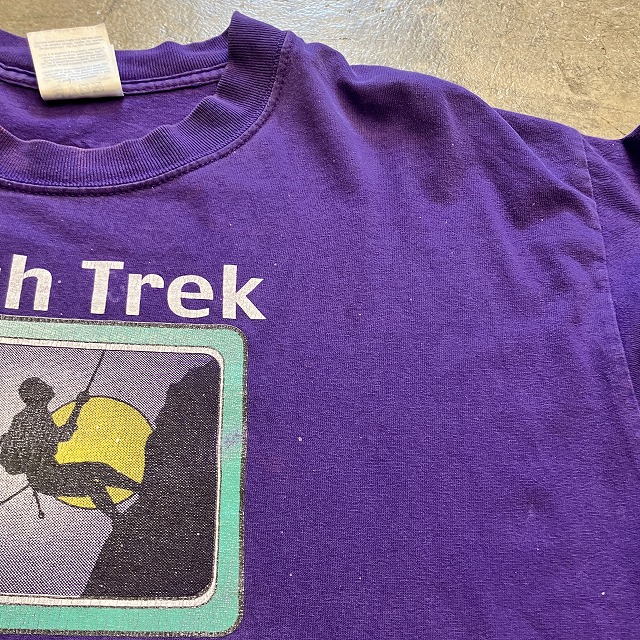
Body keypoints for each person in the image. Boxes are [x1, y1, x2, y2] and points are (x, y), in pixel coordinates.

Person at [0, 377, 141, 519]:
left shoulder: (33, 415)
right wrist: (78, 405)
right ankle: (122, 516)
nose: (49, 387)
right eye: (43, 385)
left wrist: (78, 406)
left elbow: (58, 435)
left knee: (97, 470)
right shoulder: (33, 416)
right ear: (36, 394)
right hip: (47, 476)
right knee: (93, 484)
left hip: (47, 475)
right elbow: (63, 435)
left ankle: (137, 494)